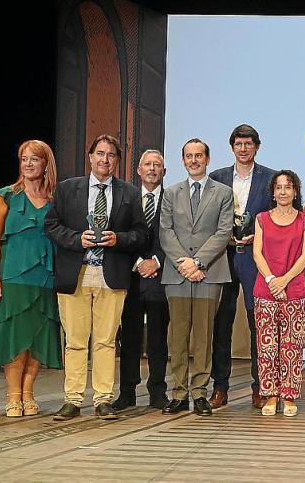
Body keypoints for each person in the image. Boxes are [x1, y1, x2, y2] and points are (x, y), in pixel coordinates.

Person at [45, 134, 147, 421]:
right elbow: (51, 226)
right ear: (90, 157)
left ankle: (103, 399)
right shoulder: (68, 189)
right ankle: (73, 399)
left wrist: (119, 239)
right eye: (100, 154)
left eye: (111, 155)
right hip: (75, 273)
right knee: (75, 340)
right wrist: (77, 239)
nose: (105, 159)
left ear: (117, 161)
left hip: (110, 274)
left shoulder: (129, 193)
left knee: (105, 341)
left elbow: (141, 233)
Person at [160, 138, 233, 417]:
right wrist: (184, 263)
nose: (194, 160)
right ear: (183, 160)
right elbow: (166, 231)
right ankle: (178, 393)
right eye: (189, 156)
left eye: (198, 155)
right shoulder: (171, 193)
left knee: (203, 336)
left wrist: (198, 262)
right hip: (177, 274)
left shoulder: (223, 193)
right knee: (177, 337)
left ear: (207, 159)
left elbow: (223, 232)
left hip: (209, 273)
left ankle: (200, 393)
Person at [209, 124, 276, 410]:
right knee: (221, 322)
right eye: (239, 144)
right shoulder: (217, 178)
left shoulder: (271, 179)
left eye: (249, 144)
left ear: (257, 147)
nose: (243, 148)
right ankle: (219, 387)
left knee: (256, 322)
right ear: (232, 147)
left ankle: (260, 387)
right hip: (222, 256)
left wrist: (259, 235)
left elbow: (280, 216)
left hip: (254, 257)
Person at [0, 140, 61, 417]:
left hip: (45, 277)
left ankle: (28, 392)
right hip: (13, 276)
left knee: (38, 334)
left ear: (46, 164)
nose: (28, 164)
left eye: (34, 159)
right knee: (15, 334)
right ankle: (13, 394)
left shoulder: (55, 200)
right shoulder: (6, 197)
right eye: (24, 159)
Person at [112, 150, 170, 411]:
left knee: (158, 339)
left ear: (164, 171)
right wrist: (138, 262)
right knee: (130, 338)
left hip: (161, 277)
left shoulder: (172, 199)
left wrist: (156, 261)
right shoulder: (126, 198)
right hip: (131, 277)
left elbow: (176, 236)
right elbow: (120, 233)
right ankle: (127, 393)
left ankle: (157, 391)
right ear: (138, 170)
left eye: (157, 165)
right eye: (148, 164)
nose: (152, 169)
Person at [253, 170, 305, 417]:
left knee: (291, 345)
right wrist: (271, 280)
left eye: (288, 187)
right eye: (279, 187)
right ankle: (271, 395)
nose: (283, 191)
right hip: (265, 291)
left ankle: (288, 395)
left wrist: (285, 280)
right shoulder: (261, 219)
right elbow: (257, 253)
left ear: (295, 192)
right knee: (267, 346)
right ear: (273, 192)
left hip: (294, 290)